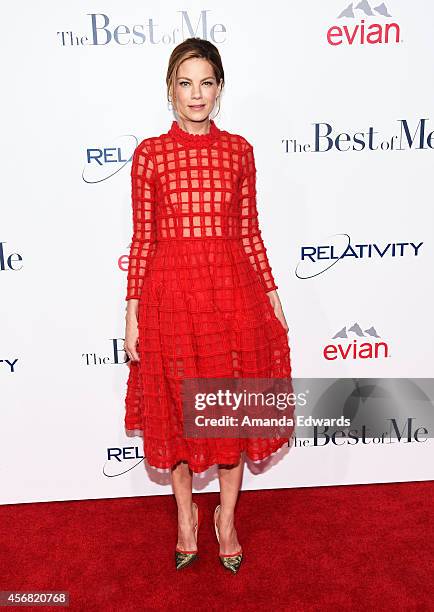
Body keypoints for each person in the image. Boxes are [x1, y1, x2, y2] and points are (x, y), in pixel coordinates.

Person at [123, 37, 294, 574]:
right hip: (169, 300)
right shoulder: (150, 154)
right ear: (170, 90)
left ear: (220, 88)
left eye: (206, 83)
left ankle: (226, 517)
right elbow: (143, 240)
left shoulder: (239, 151)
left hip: (230, 297)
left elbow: (250, 234)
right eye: (185, 83)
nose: (196, 94)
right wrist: (130, 312)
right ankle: (184, 518)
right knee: (175, 413)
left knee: (228, 412)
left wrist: (271, 296)